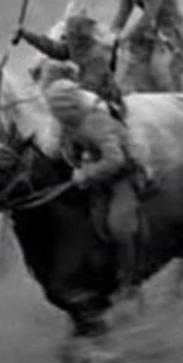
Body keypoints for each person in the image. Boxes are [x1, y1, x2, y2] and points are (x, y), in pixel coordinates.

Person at [47, 79, 145, 300]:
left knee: (118, 226)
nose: (56, 116)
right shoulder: (68, 126)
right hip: (97, 182)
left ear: (71, 107)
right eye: (54, 111)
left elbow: (115, 159)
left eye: (58, 111)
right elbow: (66, 153)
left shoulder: (96, 124)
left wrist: (86, 173)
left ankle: (131, 280)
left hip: (122, 178)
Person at [16, 15, 127, 115]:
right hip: (90, 105)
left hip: (106, 109)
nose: (67, 41)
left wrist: (69, 90)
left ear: (78, 38)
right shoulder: (80, 50)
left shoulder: (97, 57)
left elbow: (92, 87)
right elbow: (53, 48)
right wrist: (26, 34)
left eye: (70, 37)